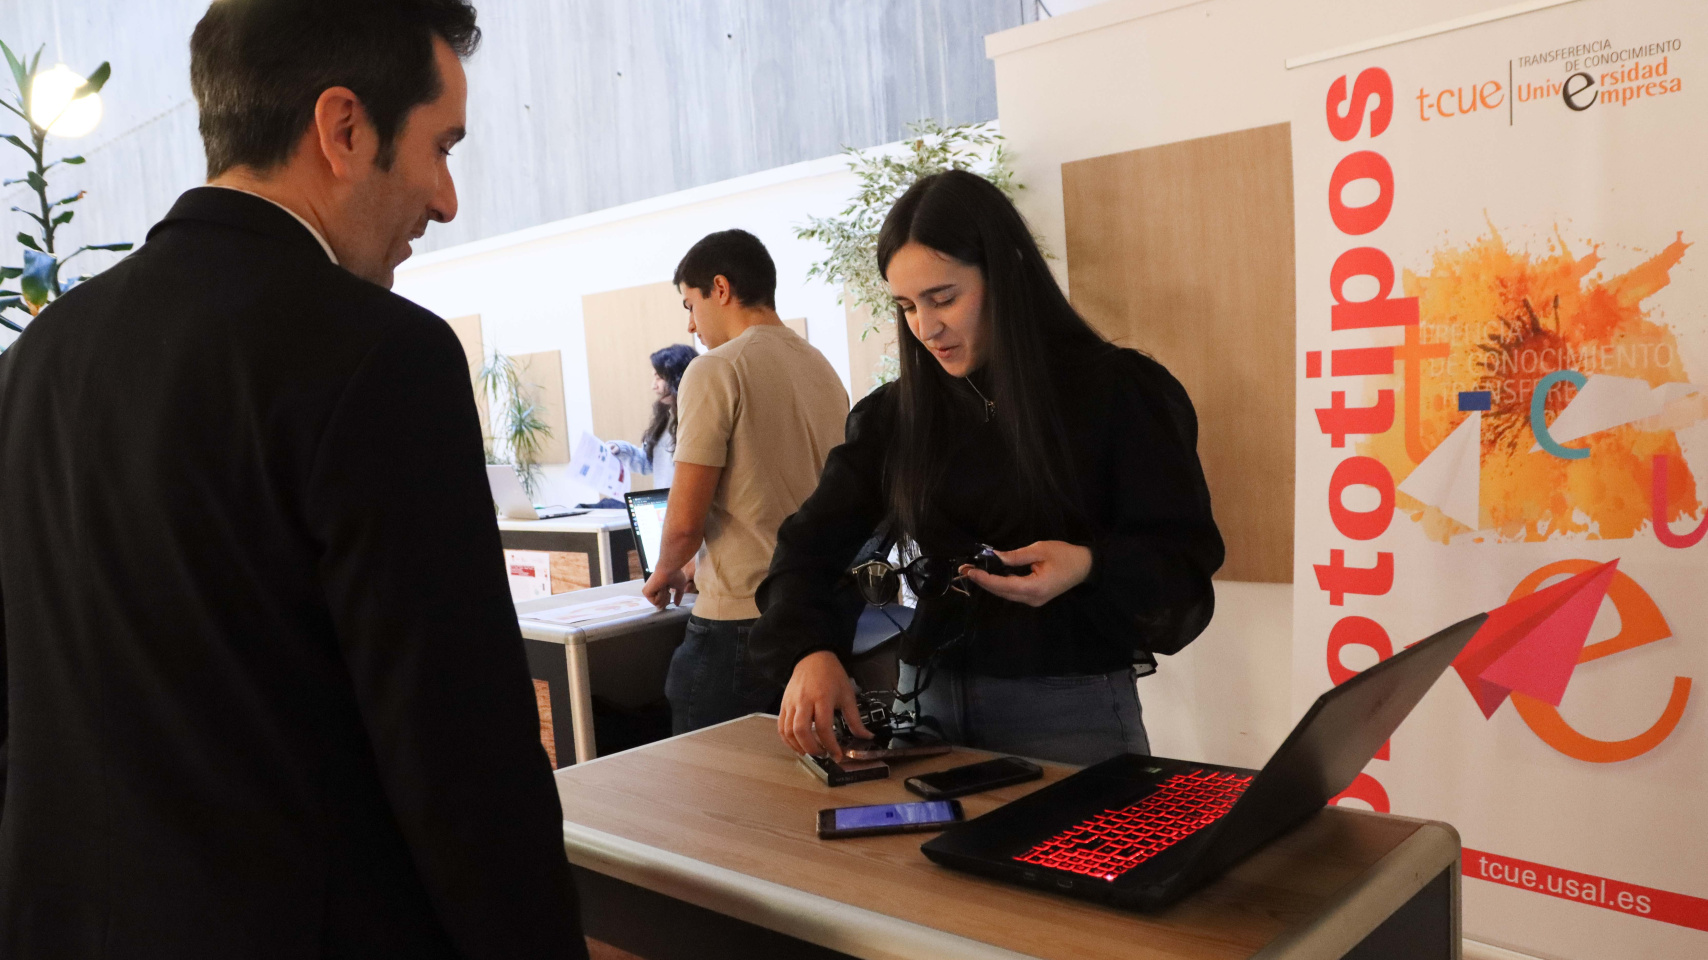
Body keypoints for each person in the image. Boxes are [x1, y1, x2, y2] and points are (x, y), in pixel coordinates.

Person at [0, 2, 587, 958]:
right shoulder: (378, 357)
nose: (446, 199)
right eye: (443, 146)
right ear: (344, 128)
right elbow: (460, 761)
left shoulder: (40, 357)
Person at [752, 170, 1224, 767]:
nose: (926, 328)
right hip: (925, 713)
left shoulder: (1120, 393)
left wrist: (1087, 564)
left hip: (1069, 710)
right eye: (906, 307)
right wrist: (810, 651)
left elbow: (1182, 556)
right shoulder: (897, 417)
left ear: (1007, 272)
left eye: (944, 298)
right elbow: (806, 547)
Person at [642, 229, 849, 735]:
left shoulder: (715, 369)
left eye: (690, 305)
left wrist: (667, 569)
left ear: (720, 288)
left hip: (738, 626)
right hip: (817, 619)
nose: (691, 325)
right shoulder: (821, 367)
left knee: (710, 797)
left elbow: (686, 519)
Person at [608, 342, 697, 488]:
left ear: (676, 377)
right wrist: (621, 449)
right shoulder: (666, 417)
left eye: (658, 378)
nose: (653, 386)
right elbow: (649, 463)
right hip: (664, 508)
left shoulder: (696, 420)